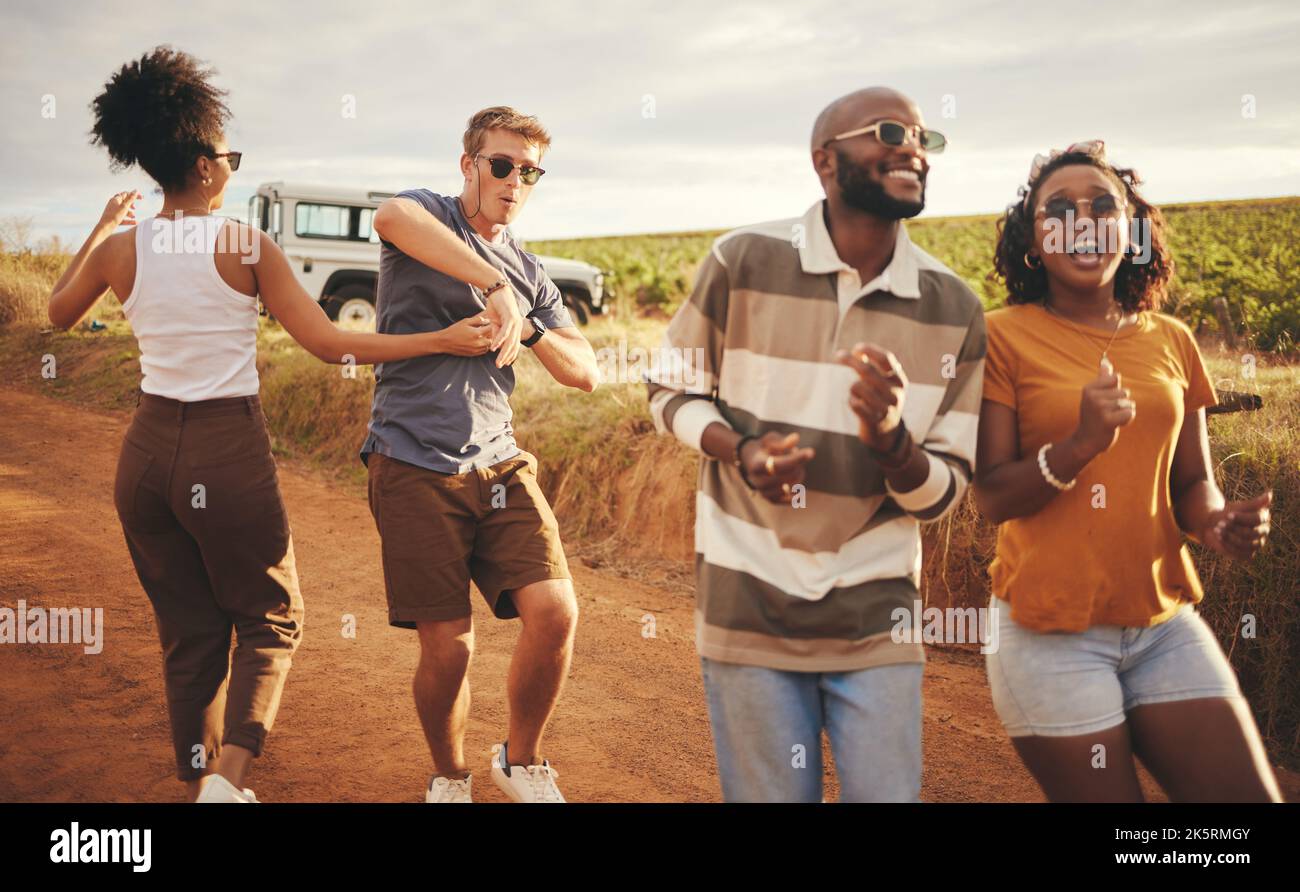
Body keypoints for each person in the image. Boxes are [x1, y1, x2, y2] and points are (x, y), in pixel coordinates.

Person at [47, 46, 526, 802]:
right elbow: (329, 343)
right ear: (205, 166)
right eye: (229, 155)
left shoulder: (118, 250)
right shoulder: (243, 243)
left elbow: (56, 313)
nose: (232, 166)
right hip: (223, 447)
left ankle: (201, 775)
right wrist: (437, 340)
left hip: (143, 457)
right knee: (271, 620)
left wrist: (102, 228)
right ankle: (229, 783)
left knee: (188, 631)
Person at [646, 87, 986, 801]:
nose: (912, 149)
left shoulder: (953, 305)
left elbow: (946, 489)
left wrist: (894, 441)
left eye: (924, 138)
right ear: (824, 161)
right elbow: (669, 392)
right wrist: (741, 451)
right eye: (890, 131)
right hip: (748, 602)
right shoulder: (742, 261)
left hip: (876, 615)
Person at [973, 139, 1281, 802]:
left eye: (1102, 205)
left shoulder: (1171, 339)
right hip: (1047, 634)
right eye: (1060, 209)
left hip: (1162, 625)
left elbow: (1191, 481)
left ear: (1131, 229)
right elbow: (993, 495)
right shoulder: (1000, 336)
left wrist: (1215, 522)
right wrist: (1082, 443)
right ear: (1034, 240)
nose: (1084, 219)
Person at [363, 106, 600, 803]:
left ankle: (520, 760)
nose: (515, 180)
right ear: (469, 164)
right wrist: (494, 288)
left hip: (498, 463)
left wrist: (526, 326)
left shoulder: (531, 269)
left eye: (530, 171)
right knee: (450, 644)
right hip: (410, 459)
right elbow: (389, 219)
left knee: (556, 612)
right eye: (502, 164)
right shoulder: (427, 217)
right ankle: (449, 774)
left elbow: (586, 370)